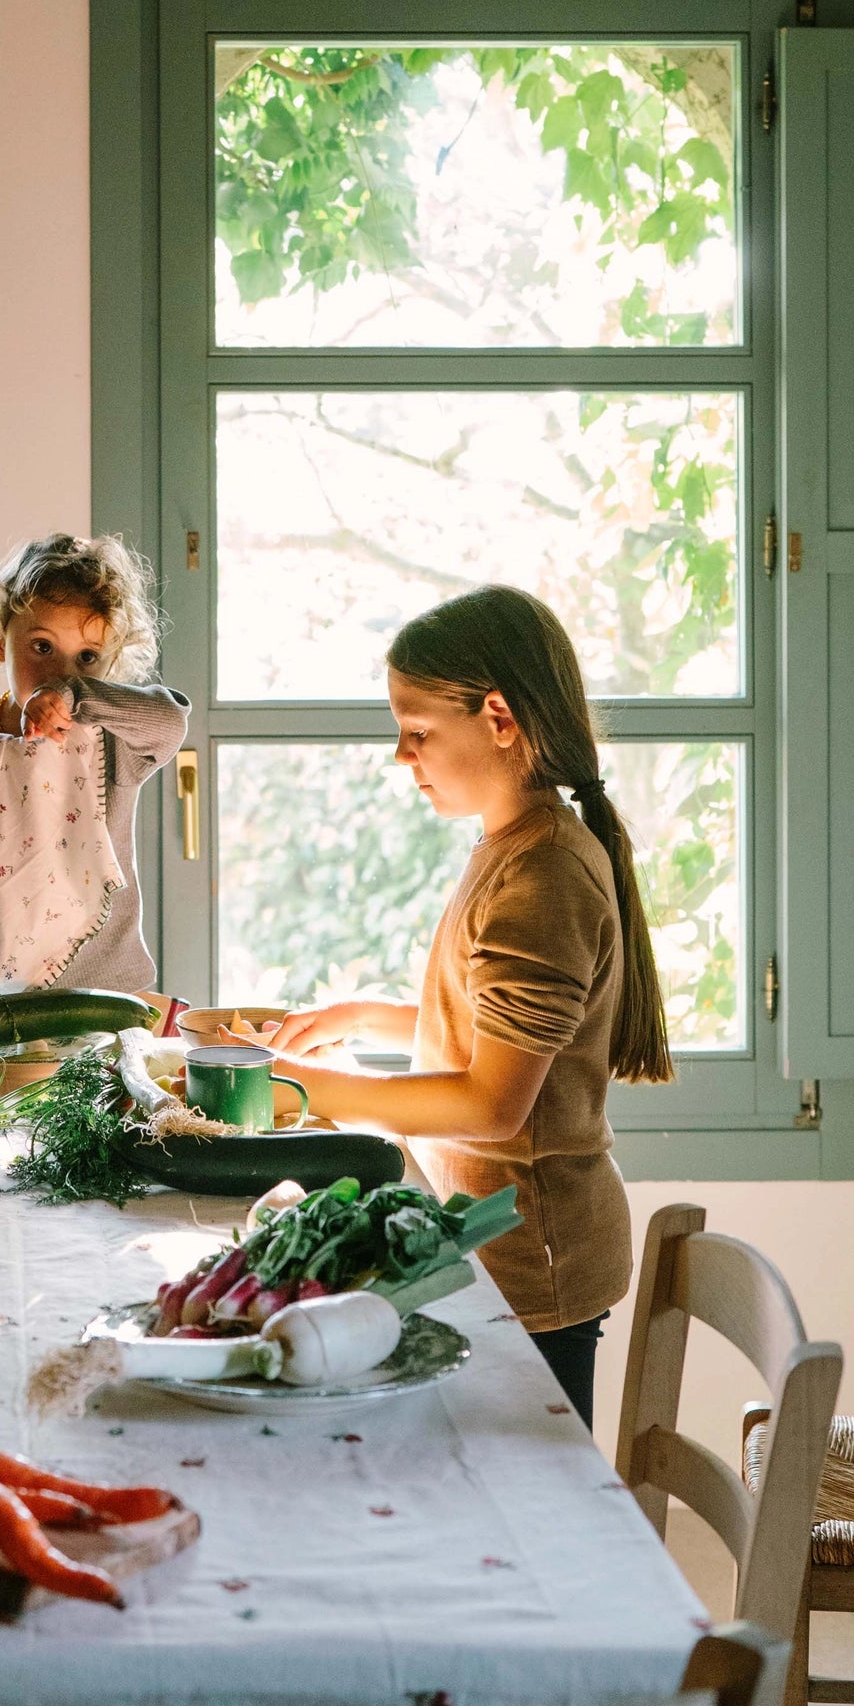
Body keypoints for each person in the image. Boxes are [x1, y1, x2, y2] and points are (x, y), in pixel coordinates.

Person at [258, 586, 671, 1427]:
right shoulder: (513, 844)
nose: (400, 756)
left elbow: (493, 1102)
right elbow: (504, 1038)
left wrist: (303, 1089)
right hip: (496, 1243)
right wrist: (363, 1017)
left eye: (417, 731)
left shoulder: (544, 874)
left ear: (499, 718)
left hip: (529, 1261)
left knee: (529, 1489)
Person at [0, 532, 189, 995]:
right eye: (42, 647)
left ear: (109, 664)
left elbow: (170, 720)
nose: (61, 672)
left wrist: (74, 697)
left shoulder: (113, 736)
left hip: (102, 989)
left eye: (86, 657)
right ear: (0, 642)